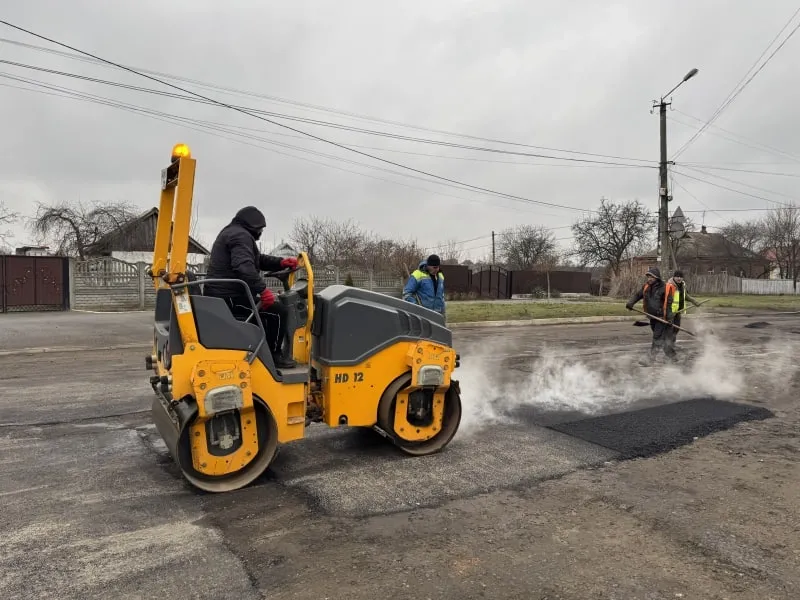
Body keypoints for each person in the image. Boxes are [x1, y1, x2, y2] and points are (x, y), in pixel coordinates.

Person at [203, 206, 298, 368]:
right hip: (229, 297)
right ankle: (274, 356)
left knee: (268, 310)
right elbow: (243, 266)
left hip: (221, 294)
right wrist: (263, 290)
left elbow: (256, 259)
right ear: (253, 226)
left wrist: (281, 262)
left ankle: (263, 351)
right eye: (260, 229)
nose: (260, 232)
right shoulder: (241, 236)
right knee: (278, 312)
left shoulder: (233, 232)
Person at [625, 266, 676, 362]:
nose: (649, 279)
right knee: (664, 339)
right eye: (648, 277)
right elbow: (638, 295)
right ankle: (672, 356)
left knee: (657, 337)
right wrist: (631, 303)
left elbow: (669, 305)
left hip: (662, 318)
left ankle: (650, 359)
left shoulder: (665, 288)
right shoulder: (646, 287)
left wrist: (669, 318)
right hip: (652, 317)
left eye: (651, 277)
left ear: (657, 277)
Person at [663, 269, 700, 355]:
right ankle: (668, 347)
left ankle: (671, 344)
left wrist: (694, 301)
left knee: (676, 328)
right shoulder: (669, 286)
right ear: (674, 277)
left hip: (678, 312)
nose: (679, 278)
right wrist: (669, 314)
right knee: (669, 330)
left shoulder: (682, 285)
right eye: (677, 276)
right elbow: (666, 300)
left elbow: (685, 296)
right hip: (670, 312)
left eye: (681, 277)